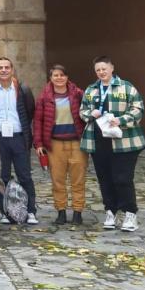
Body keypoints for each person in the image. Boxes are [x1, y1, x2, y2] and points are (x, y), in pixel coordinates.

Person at [80, 55, 145, 233]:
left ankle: (130, 213)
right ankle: (110, 211)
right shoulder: (91, 89)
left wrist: (121, 120)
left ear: (112, 68)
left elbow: (138, 109)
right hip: (99, 141)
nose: (101, 72)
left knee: (122, 178)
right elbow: (82, 110)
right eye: (98, 70)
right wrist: (89, 114)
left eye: (104, 68)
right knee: (105, 179)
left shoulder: (126, 87)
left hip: (124, 141)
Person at [0, 57, 38, 225]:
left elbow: (30, 111)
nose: (3, 70)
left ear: (12, 69)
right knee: (3, 177)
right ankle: (5, 212)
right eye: (0, 67)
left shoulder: (22, 89)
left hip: (18, 137)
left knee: (25, 176)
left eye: (6, 67)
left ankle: (30, 211)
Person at [33, 64, 86, 225]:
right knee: (58, 180)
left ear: (67, 77)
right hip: (55, 144)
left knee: (78, 179)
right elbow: (38, 121)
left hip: (77, 143)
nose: (59, 78)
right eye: (55, 75)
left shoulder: (78, 94)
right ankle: (61, 211)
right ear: (51, 78)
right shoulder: (44, 97)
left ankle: (78, 212)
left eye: (62, 75)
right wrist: (38, 143)